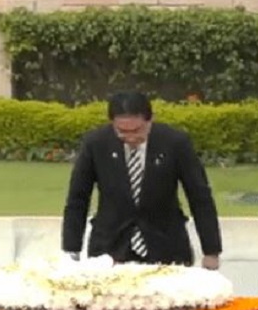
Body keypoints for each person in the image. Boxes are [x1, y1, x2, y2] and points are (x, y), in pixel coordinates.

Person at [61, 91, 222, 269]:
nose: (130, 138)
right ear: (112, 123)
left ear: (149, 120)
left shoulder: (175, 142)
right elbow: (78, 198)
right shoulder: (95, 143)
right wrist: (71, 249)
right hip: (110, 249)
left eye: (137, 130)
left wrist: (211, 251)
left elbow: (199, 197)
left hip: (166, 247)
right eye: (122, 131)